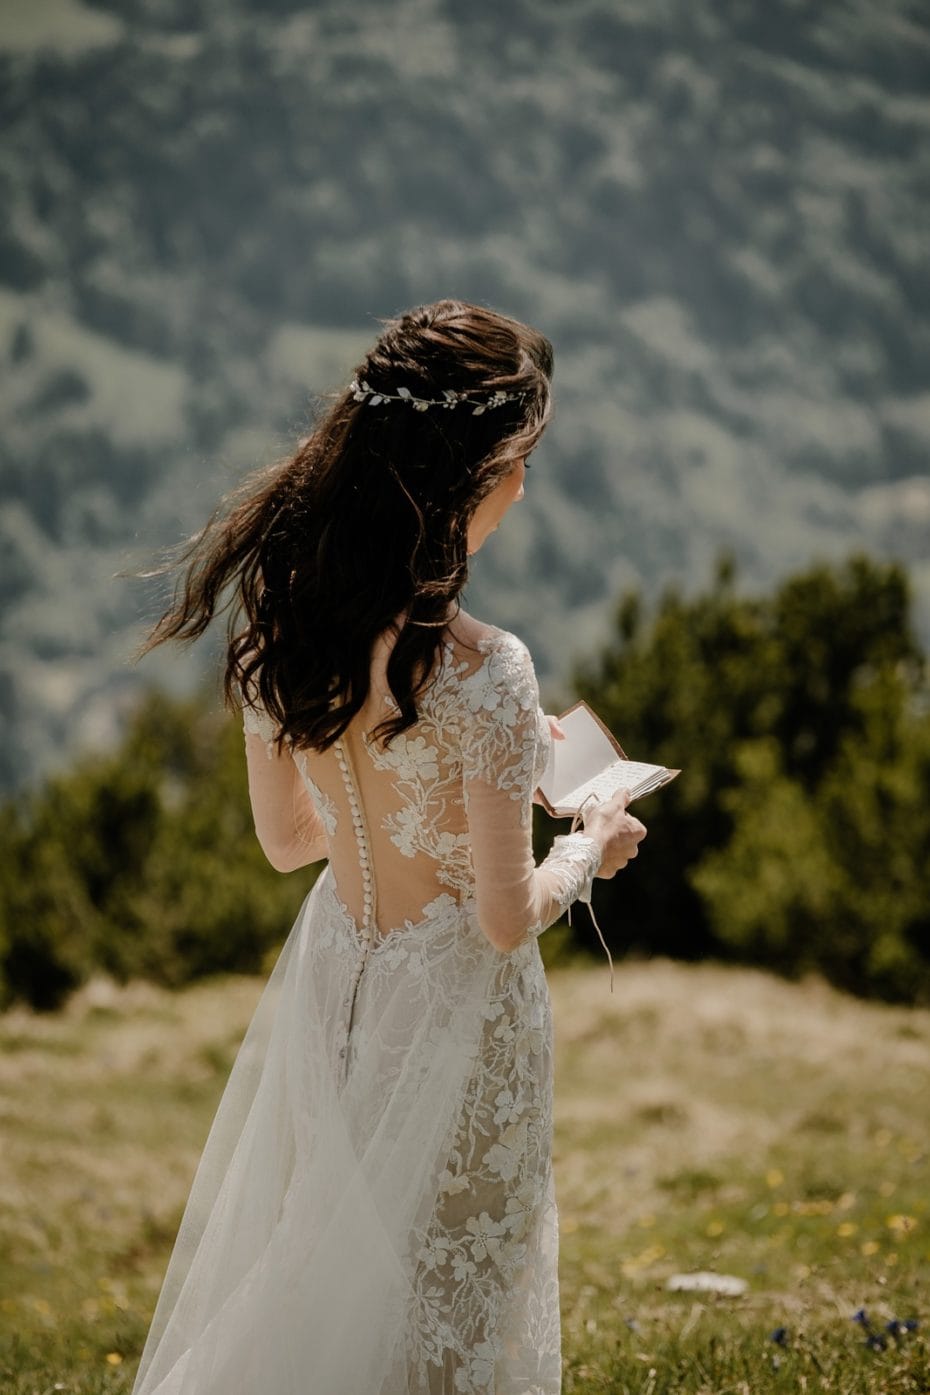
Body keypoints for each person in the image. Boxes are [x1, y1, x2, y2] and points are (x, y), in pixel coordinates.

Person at [133, 299, 646, 1395]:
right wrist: (588, 841)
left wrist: (472, 792)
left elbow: (288, 842)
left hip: (339, 982)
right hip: (459, 1014)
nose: (526, 487)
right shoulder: (486, 669)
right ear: (472, 468)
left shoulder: (284, 616)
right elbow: (503, 920)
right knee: (451, 1314)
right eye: (522, 460)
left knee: (337, 1275)